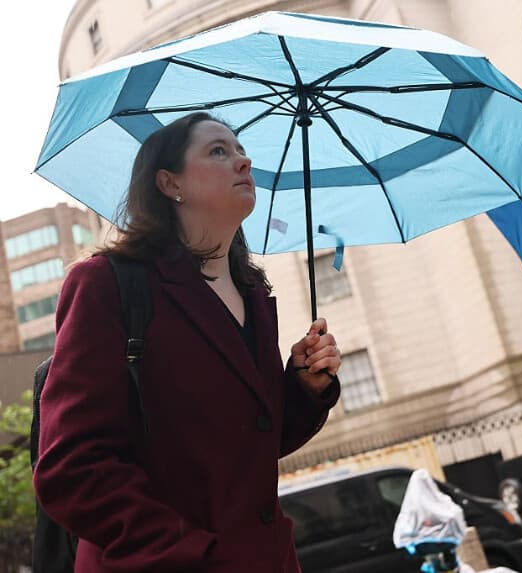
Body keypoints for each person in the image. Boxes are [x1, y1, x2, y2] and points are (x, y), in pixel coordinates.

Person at [33, 112, 342, 572]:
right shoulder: (106, 283)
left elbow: (248, 444)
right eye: (219, 151)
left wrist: (303, 388)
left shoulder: (254, 295)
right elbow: (73, 466)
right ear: (168, 182)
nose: (243, 161)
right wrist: (190, 556)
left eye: (240, 150)